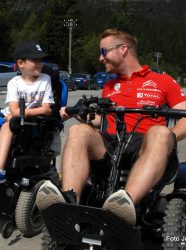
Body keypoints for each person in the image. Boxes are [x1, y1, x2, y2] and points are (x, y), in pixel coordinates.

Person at [36, 28, 186, 225]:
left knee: (160, 132)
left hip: (146, 145)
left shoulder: (163, 81)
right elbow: (101, 121)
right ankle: (70, 204)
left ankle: (124, 207)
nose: (100, 58)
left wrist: (167, 138)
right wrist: (80, 115)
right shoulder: (109, 86)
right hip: (113, 145)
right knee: (78, 131)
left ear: (123, 49)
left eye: (104, 51)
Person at [0, 41, 54, 188]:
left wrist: (19, 114)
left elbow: (47, 110)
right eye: (35, 60)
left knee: (8, 126)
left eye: (41, 60)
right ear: (21, 63)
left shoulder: (45, 80)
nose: (40, 63)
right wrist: (15, 114)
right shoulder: (14, 83)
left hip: (27, 121)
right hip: (8, 115)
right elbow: (13, 110)